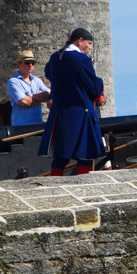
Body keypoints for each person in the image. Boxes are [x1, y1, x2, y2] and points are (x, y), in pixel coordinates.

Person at [38, 28, 107, 176]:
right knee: (85, 154)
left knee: (60, 157)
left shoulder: (55, 58)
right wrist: (101, 84)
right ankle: (82, 186)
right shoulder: (82, 60)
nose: (90, 47)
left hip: (60, 112)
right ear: (80, 41)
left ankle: (54, 185)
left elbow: (49, 74)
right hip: (80, 112)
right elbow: (94, 89)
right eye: (88, 43)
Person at [7, 50, 51, 126]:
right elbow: (23, 102)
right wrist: (40, 98)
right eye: (27, 62)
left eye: (33, 63)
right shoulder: (13, 82)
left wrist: (31, 96)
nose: (30, 65)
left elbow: (49, 95)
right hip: (22, 127)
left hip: (37, 125)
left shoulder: (37, 80)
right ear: (19, 63)